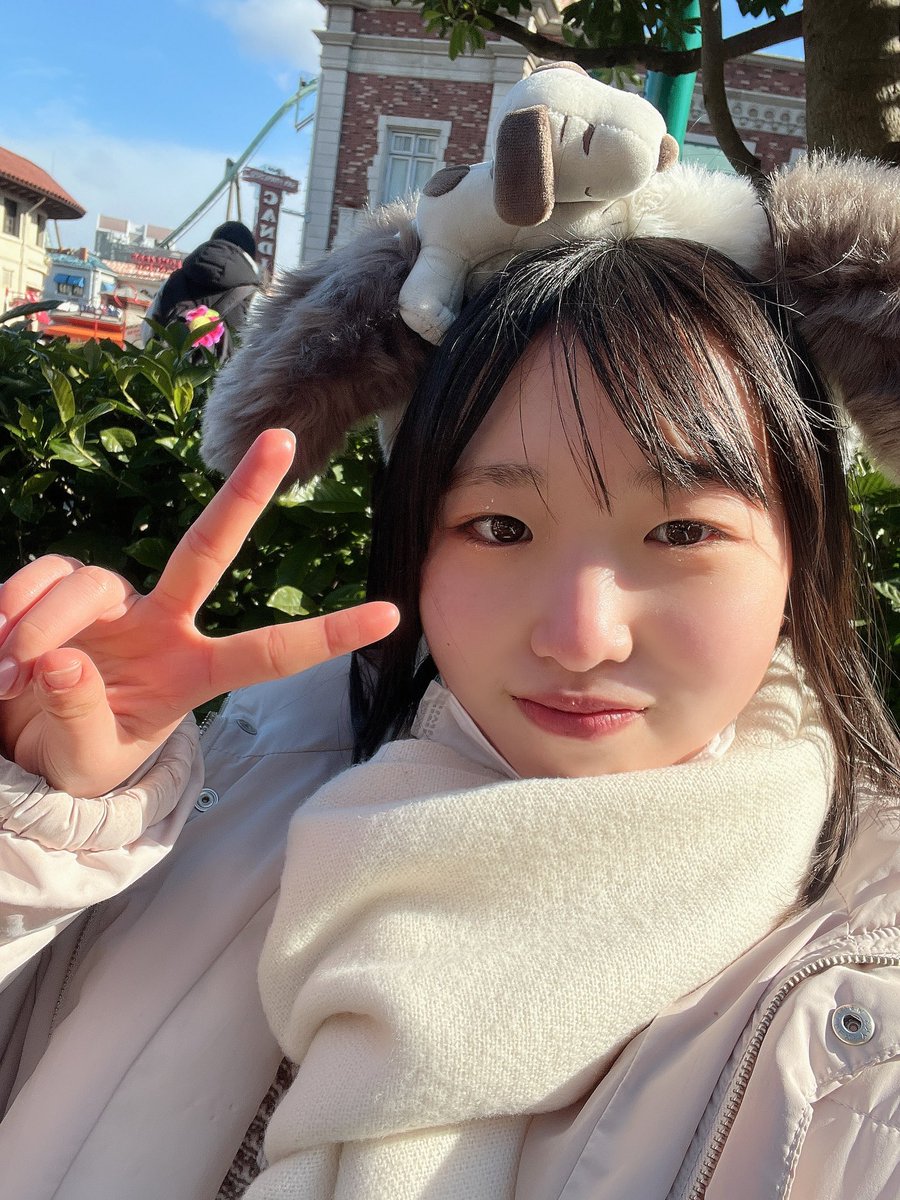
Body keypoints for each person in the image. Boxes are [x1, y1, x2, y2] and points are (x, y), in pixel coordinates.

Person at [2, 144, 900, 1199]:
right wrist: (43, 813)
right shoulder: (217, 793)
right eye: (500, 526)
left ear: (804, 551)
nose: (581, 637)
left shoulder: (859, 1035)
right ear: (416, 533)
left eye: (682, 532)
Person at [142, 220, 260, 361]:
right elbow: (257, 355)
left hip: (166, 371)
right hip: (224, 374)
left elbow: (148, 333)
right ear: (251, 254)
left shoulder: (175, 279)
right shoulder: (254, 296)